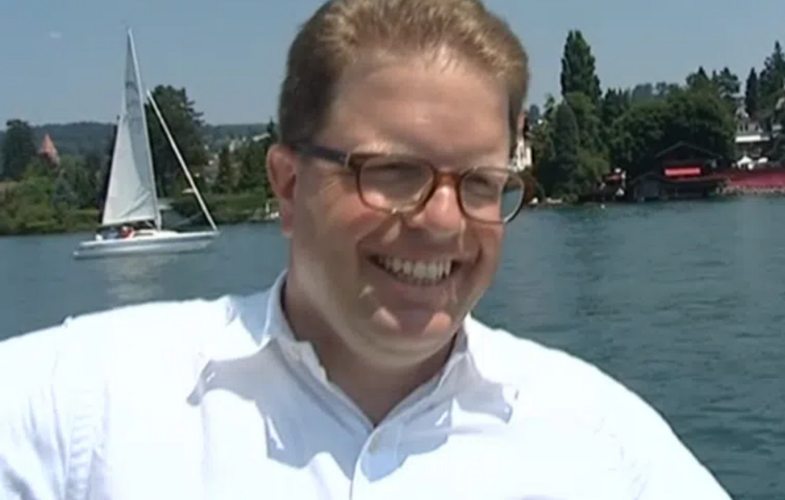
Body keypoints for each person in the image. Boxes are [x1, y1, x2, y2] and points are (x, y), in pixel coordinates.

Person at [0, 0, 731, 498]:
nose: (443, 222)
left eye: (482, 184)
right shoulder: (76, 410)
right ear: (289, 187)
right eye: (394, 173)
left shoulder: (605, 442)